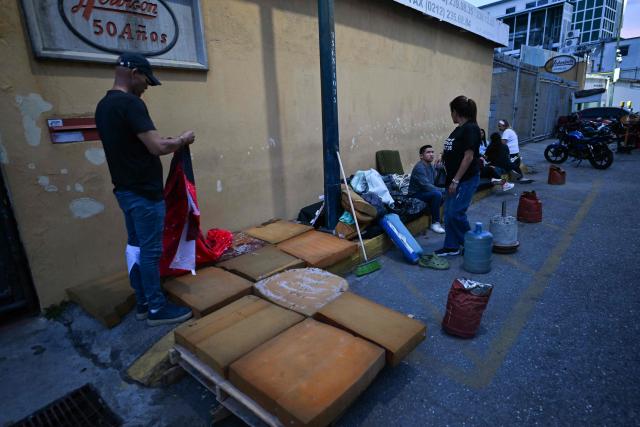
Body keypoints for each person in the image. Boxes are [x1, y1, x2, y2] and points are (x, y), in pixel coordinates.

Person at [95, 53, 196, 326]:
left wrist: (164, 141)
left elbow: (134, 145)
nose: (147, 86)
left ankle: (142, 301)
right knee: (151, 251)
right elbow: (157, 147)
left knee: (136, 248)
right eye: (146, 80)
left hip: (125, 191)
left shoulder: (104, 105)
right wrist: (183, 139)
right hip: (144, 194)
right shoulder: (130, 104)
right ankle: (156, 308)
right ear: (134, 73)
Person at [435, 95, 481, 257]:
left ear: (455, 111)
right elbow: (454, 149)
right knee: (448, 214)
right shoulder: (458, 129)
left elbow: (468, 157)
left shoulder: (471, 128)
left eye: (451, 111)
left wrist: (456, 180)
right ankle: (451, 246)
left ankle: (473, 244)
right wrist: (443, 156)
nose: (451, 115)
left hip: (465, 179)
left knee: (456, 213)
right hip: (453, 179)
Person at [408, 145, 445, 234]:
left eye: (432, 152)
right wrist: (443, 190)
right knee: (437, 194)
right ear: (421, 156)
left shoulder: (431, 166)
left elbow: (434, 181)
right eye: (428, 152)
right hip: (416, 194)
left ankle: (441, 217)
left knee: (443, 192)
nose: (431, 154)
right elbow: (427, 186)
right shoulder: (419, 167)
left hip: (426, 192)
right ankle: (435, 223)